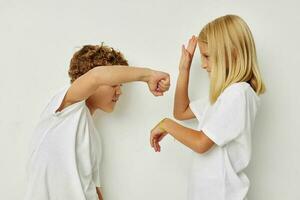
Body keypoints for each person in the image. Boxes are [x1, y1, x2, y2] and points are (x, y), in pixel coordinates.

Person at [24, 44, 170, 200]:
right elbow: (97, 76)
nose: (119, 91)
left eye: (120, 85)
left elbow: (94, 189)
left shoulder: (93, 136)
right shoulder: (65, 107)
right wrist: (148, 75)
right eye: (114, 84)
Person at [150, 15, 266, 200]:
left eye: (207, 56)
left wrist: (166, 125)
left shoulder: (238, 94)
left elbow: (201, 143)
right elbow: (181, 111)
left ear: (233, 53)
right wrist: (184, 70)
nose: (203, 64)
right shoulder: (225, 96)